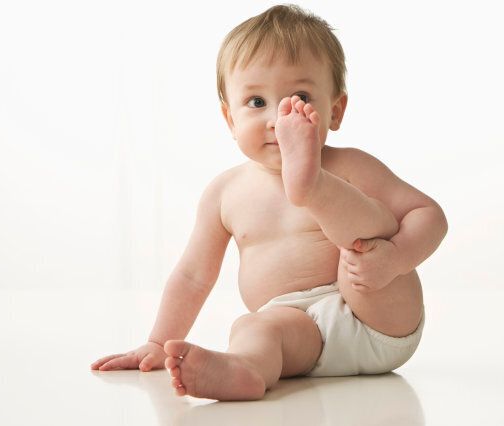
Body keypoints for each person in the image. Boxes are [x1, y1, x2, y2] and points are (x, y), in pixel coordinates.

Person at [91, 4, 448, 401]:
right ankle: (245, 370)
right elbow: (193, 276)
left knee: (364, 229)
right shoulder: (225, 193)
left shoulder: (351, 166)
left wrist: (395, 258)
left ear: (336, 109)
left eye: (299, 98)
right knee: (252, 328)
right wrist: (159, 342)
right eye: (257, 102)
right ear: (230, 119)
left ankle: (314, 186)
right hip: (297, 329)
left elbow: (429, 215)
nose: (278, 119)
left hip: (376, 306)